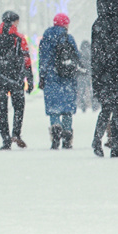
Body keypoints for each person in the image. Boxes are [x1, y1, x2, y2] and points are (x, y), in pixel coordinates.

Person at [0, 11, 34, 150]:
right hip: (16, 79)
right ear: (13, 22)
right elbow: (26, 60)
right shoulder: (19, 38)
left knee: (2, 109)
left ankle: (5, 139)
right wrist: (29, 79)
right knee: (19, 107)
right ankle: (16, 133)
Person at [90, 0, 118, 158]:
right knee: (112, 110)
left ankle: (109, 143)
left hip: (105, 73)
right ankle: (109, 144)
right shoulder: (111, 25)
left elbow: (103, 51)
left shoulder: (100, 24)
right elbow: (111, 49)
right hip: (112, 73)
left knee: (111, 109)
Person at [38, 13, 81, 150]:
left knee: (54, 108)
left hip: (51, 77)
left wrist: (42, 75)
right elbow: (77, 58)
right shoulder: (69, 38)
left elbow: (43, 59)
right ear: (66, 24)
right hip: (67, 78)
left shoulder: (46, 39)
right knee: (67, 108)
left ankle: (56, 128)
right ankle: (67, 134)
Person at [77, 40, 94, 112]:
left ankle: (82, 104)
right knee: (91, 90)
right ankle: (93, 104)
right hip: (90, 75)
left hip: (81, 75)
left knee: (82, 90)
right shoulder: (92, 54)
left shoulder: (80, 54)